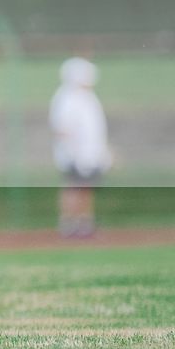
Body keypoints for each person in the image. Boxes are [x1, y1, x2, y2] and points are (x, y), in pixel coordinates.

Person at [51, 56, 110, 237]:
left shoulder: (87, 98)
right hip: (73, 154)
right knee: (72, 188)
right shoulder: (66, 98)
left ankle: (84, 223)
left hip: (89, 154)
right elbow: (62, 128)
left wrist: (102, 151)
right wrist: (73, 152)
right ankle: (69, 224)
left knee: (86, 188)